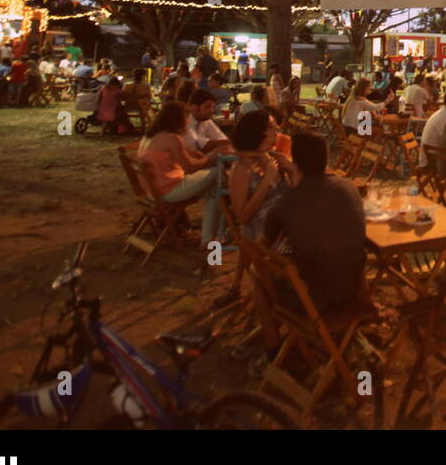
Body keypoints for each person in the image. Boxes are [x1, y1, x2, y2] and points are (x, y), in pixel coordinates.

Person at [261, 131, 369, 314]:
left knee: (259, 272)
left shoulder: (287, 202)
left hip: (314, 301)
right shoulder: (348, 186)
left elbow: (262, 245)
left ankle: (272, 340)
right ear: (326, 159)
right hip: (353, 289)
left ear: (295, 163)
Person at [138, 102, 219, 244]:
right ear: (178, 120)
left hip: (152, 190)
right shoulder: (172, 139)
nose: (188, 121)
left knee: (214, 189)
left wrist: (200, 155)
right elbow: (190, 167)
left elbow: (188, 153)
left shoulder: (151, 136)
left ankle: (207, 238)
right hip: (168, 191)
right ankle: (209, 238)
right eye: (186, 117)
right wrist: (211, 158)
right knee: (216, 174)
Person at [226, 110, 298, 244]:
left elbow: (292, 200)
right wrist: (267, 180)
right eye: (271, 126)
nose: (277, 128)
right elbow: (242, 217)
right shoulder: (242, 168)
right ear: (257, 132)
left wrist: (292, 173)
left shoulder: (273, 158)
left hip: (286, 228)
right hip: (264, 237)